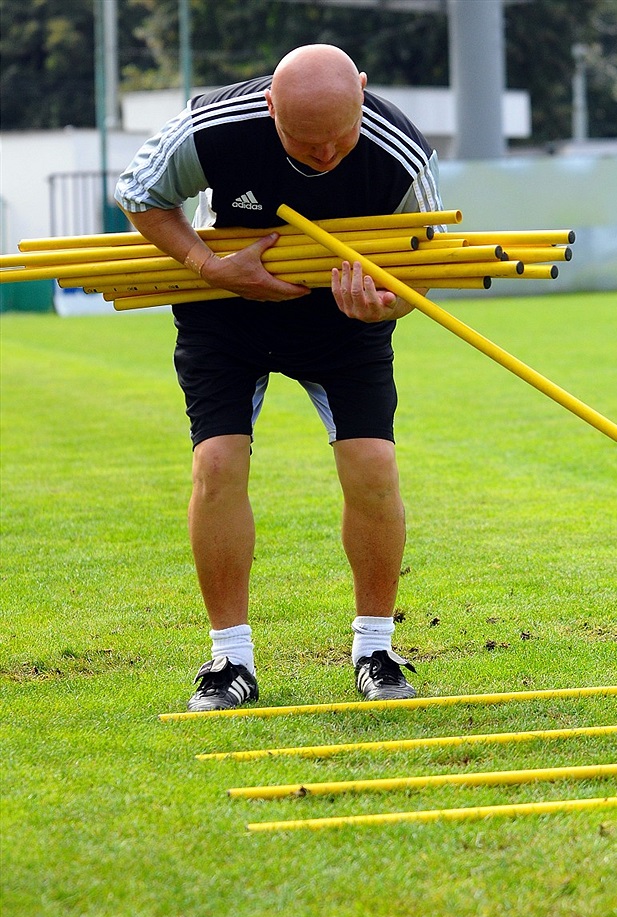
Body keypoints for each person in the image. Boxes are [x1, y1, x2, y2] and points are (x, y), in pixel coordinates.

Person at [115, 43, 444, 711]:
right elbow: (138, 193)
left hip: (343, 318)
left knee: (374, 468)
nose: (325, 156)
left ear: (363, 90)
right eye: (305, 140)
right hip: (226, 310)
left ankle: (376, 650)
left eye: (339, 139)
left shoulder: (401, 152)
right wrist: (209, 266)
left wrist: (388, 301)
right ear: (271, 107)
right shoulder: (210, 127)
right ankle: (229, 662)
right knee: (217, 464)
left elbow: (426, 266)